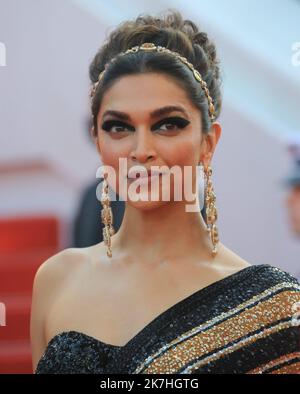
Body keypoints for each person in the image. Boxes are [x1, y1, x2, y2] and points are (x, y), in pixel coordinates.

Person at [30, 10, 300, 374]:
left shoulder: (273, 308)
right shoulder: (55, 280)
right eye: (118, 127)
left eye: (168, 124)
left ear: (208, 142)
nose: (140, 150)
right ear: (98, 140)